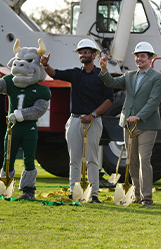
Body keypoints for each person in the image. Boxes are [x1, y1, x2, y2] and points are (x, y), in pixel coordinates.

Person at [41, 39, 114, 204]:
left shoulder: (102, 75)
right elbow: (55, 74)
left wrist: (93, 114)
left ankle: (94, 194)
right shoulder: (75, 73)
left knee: (92, 159)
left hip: (93, 121)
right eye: (81, 52)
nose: (82, 55)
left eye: (86, 52)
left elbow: (110, 100)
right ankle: (74, 191)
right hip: (74, 121)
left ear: (94, 55)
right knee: (74, 159)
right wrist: (46, 65)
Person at [0, 39, 51, 200]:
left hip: (29, 128)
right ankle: (2, 186)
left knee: (28, 159)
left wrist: (21, 114)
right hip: (12, 128)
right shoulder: (10, 82)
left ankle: (28, 189)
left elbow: (39, 110)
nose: (21, 65)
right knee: (8, 158)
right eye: (19, 61)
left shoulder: (41, 90)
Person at [99, 41, 161, 206]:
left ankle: (147, 197)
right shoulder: (129, 76)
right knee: (133, 161)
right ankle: (137, 195)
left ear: (150, 58)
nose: (139, 59)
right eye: (137, 56)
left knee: (144, 159)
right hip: (128, 125)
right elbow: (111, 83)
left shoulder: (158, 77)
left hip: (147, 125)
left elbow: (154, 101)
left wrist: (139, 116)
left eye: (142, 56)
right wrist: (104, 69)